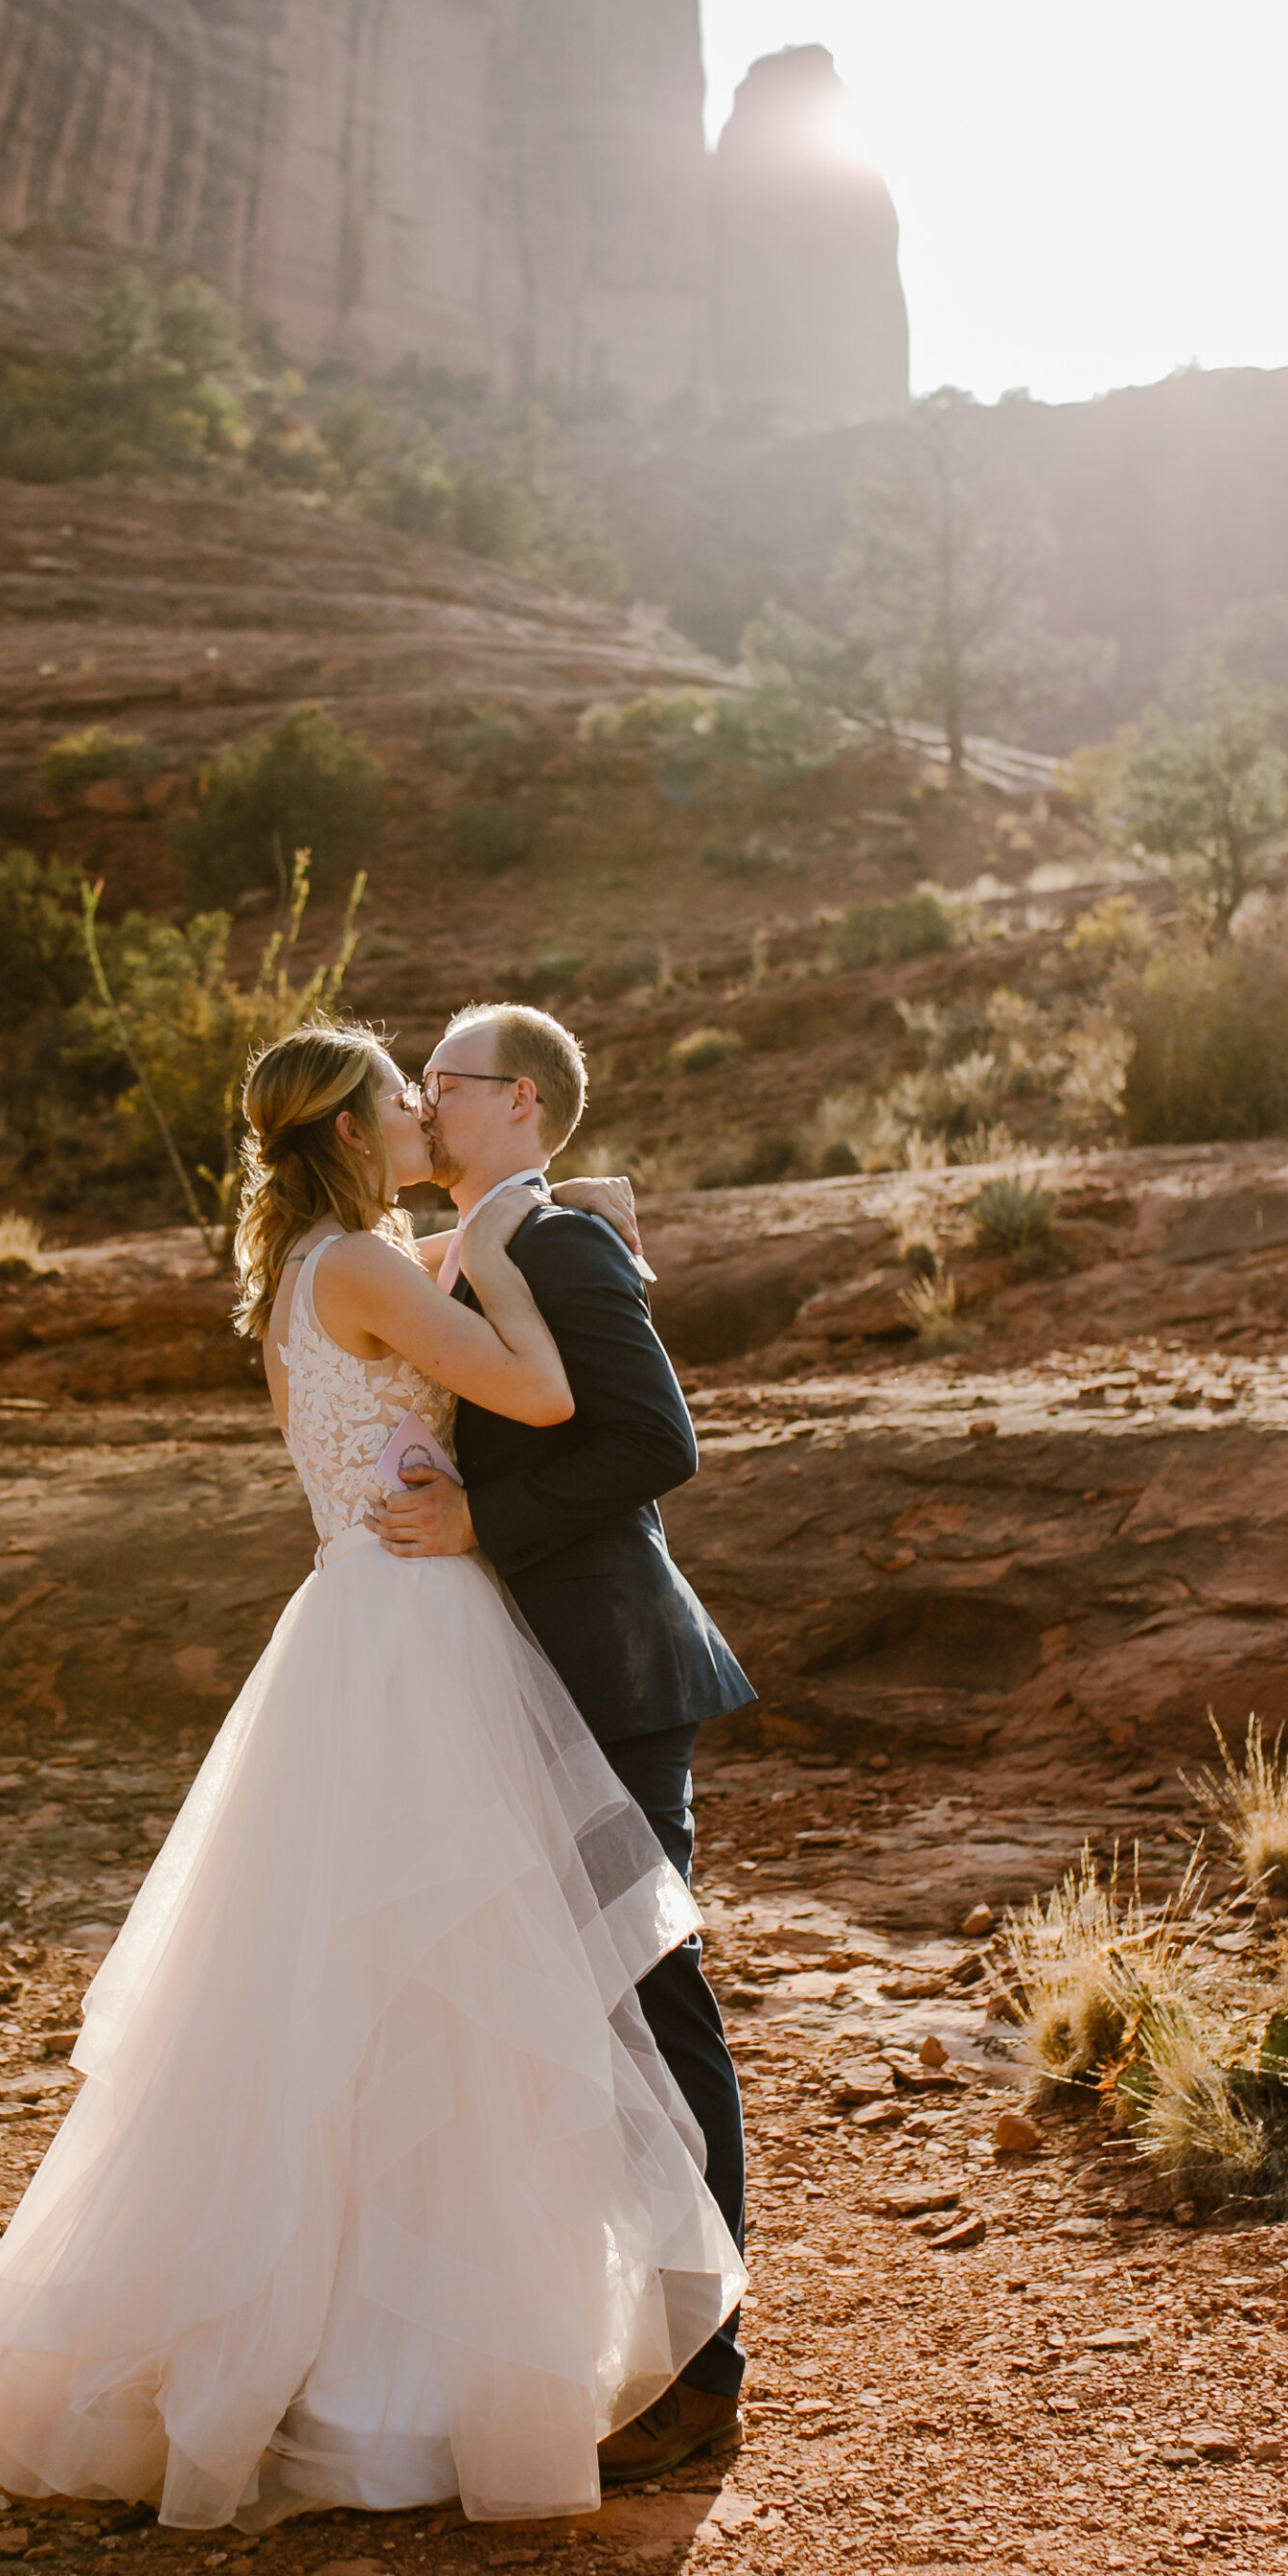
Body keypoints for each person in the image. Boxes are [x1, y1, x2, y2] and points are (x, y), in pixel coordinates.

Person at [0, 1021, 742, 2532]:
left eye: (441, 1087)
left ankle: (349, 2346)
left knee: (356, 2002)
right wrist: (511, 1240)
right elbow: (545, 1396)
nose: (421, 1105)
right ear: (356, 1129)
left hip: (357, 1630)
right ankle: (471, 2364)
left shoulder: (320, 1264)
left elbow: (432, 1308)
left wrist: (538, 1210)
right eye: (398, 1092)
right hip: (422, 1628)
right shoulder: (372, 1267)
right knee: (468, 1994)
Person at [376, 1000, 755, 2484]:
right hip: (519, 1674)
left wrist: (483, 1516)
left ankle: (704, 2368)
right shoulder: (495, 1238)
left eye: (441, 1084)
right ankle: (620, 2337)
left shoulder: (559, 1246)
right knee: (565, 2014)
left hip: (609, 1669)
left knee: (652, 2002)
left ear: (518, 1099)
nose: (419, 1101)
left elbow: (660, 1441)